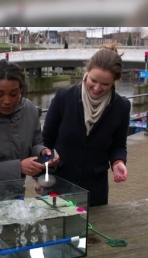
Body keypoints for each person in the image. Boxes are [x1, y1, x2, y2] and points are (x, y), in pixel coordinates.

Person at [42, 43, 130, 207]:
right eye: (93, 80)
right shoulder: (63, 98)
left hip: (95, 191)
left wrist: (118, 162)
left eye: (105, 84)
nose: (97, 88)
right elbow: (45, 142)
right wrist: (41, 176)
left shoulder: (121, 107)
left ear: (114, 82)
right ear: (86, 73)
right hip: (58, 185)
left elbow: (118, 146)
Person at [0, 59, 59, 185]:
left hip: (16, 197)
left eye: (14, 94)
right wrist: (18, 167)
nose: (7, 101)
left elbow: (35, 143)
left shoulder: (29, 110)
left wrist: (42, 152)